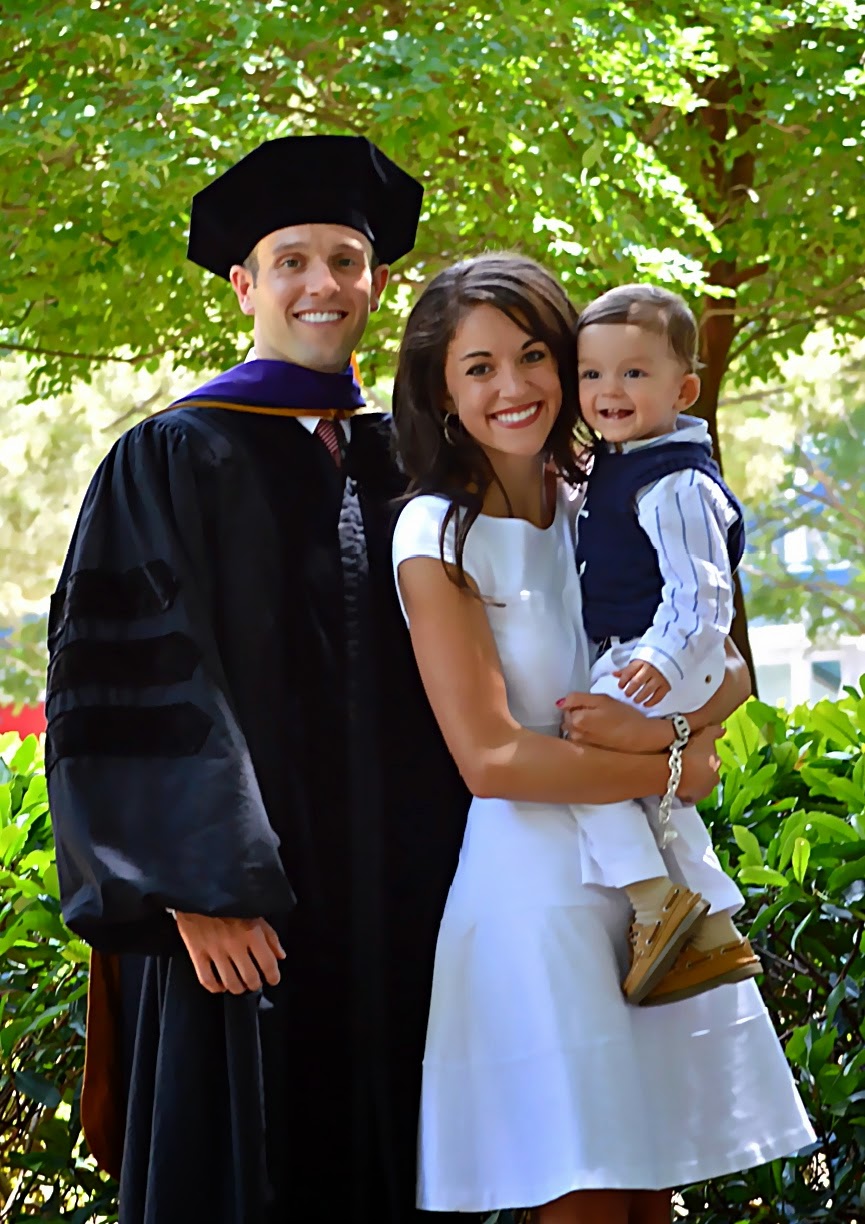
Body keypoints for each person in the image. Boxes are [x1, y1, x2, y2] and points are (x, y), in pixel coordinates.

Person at [45, 135, 470, 1224]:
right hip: (243, 918)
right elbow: (123, 689)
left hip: (411, 907)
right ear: (245, 285)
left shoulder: (413, 463)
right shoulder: (171, 457)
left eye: (344, 260)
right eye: (292, 261)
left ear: (377, 282)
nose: (321, 283)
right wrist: (197, 885)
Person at [391, 253, 815, 1223]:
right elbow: (491, 759)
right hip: (534, 896)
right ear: (442, 392)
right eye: (479, 367)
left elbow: (728, 665)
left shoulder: (606, 495)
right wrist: (667, 760)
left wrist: (674, 730)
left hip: (646, 892)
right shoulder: (435, 535)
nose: (513, 386)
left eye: (533, 355)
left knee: (651, 1192)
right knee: (583, 1191)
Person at [566, 283, 759, 1006]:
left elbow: (704, 594)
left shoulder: (675, 480)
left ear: (683, 390)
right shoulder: (620, 462)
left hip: (663, 652)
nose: (608, 390)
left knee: (583, 762)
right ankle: (715, 929)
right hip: (647, 651)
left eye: (633, 373)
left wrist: (661, 659)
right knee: (652, 794)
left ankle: (652, 901)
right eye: (591, 374)